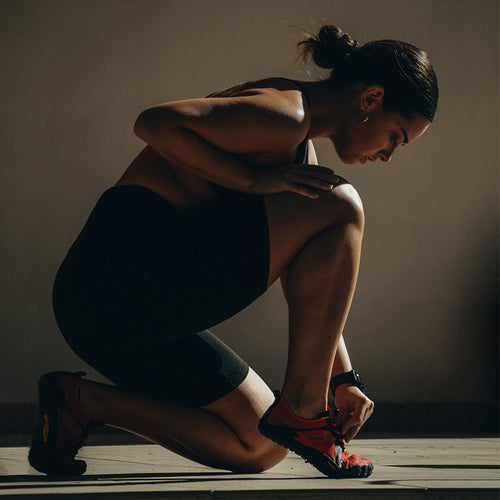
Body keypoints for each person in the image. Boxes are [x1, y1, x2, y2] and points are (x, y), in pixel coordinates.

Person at [28, 24, 438, 479]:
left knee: (259, 445)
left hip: (127, 319)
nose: (387, 155)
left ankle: (79, 402)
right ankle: (304, 415)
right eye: (396, 138)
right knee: (343, 205)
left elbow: (310, 280)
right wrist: (254, 182)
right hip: (112, 286)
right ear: (370, 99)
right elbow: (154, 122)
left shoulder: (301, 151)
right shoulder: (285, 113)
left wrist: (344, 380)